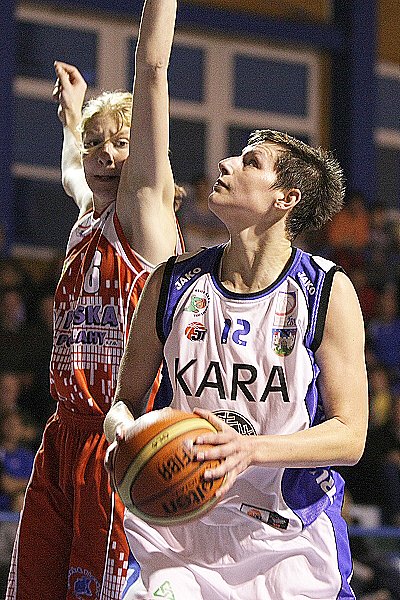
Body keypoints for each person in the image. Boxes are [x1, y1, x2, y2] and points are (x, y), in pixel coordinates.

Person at [104, 125, 369, 599]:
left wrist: (250, 450)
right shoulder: (171, 283)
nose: (225, 164)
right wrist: (123, 434)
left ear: (286, 198)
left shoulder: (326, 291)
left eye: (251, 162)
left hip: (285, 539)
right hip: (178, 535)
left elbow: (350, 436)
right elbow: (123, 402)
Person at [6, 1, 182, 598]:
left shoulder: (147, 215)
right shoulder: (88, 214)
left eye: (123, 142)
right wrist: (74, 117)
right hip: (63, 436)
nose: (107, 153)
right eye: (97, 144)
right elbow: (73, 169)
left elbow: (152, 70)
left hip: (121, 436)